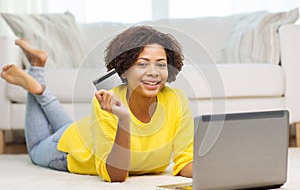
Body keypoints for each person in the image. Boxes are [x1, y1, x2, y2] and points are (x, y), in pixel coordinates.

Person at [1, 26, 193, 182]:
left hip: (85, 131)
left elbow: (185, 162)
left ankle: (38, 70)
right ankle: (37, 84)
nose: (154, 72)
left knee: (68, 127)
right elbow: (115, 175)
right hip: (71, 149)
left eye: (161, 64)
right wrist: (124, 120)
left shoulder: (176, 99)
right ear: (124, 71)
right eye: (142, 64)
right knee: (35, 150)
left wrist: (219, 169)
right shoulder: (108, 100)